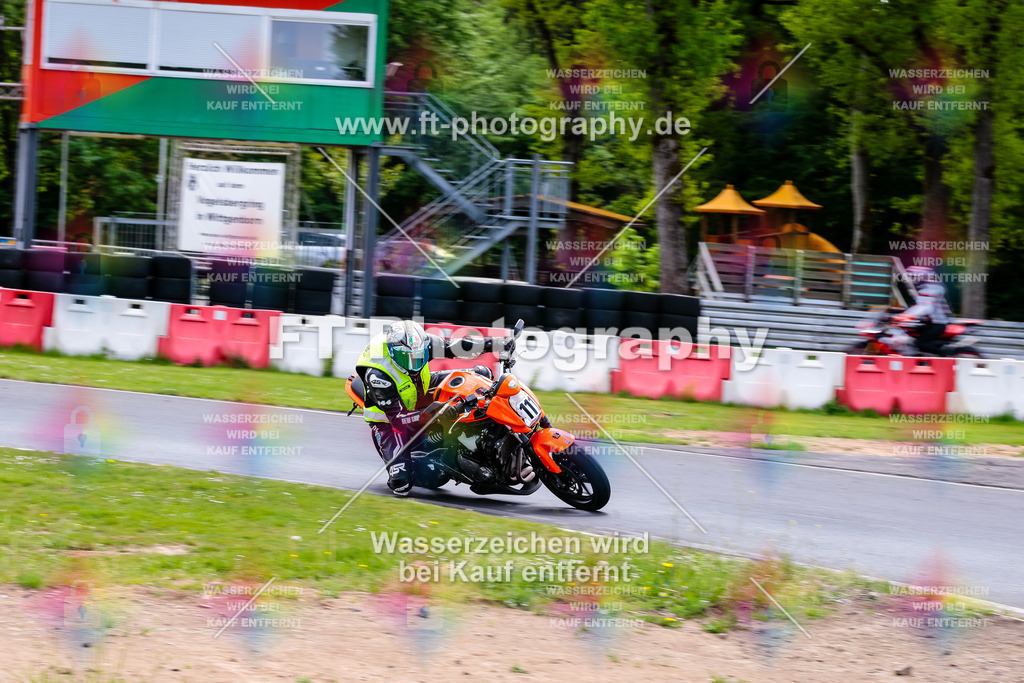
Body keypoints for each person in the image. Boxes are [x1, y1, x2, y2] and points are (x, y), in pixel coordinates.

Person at [355, 320, 511, 495]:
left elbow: (457, 347)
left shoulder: (423, 344)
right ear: (392, 353)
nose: (413, 363)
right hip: (388, 422)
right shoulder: (378, 376)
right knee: (401, 484)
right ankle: (427, 460)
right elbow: (399, 421)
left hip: (419, 387)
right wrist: (432, 412)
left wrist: (496, 344)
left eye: (418, 356)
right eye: (406, 358)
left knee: (479, 374)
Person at [898, 266, 950, 355]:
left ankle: (946, 356)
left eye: (913, 277)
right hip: (926, 323)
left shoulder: (932, 288)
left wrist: (905, 316)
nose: (910, 280)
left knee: (918, 344)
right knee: (908, 339)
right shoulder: (923, 288)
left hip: (937, 324)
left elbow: (925, 307)